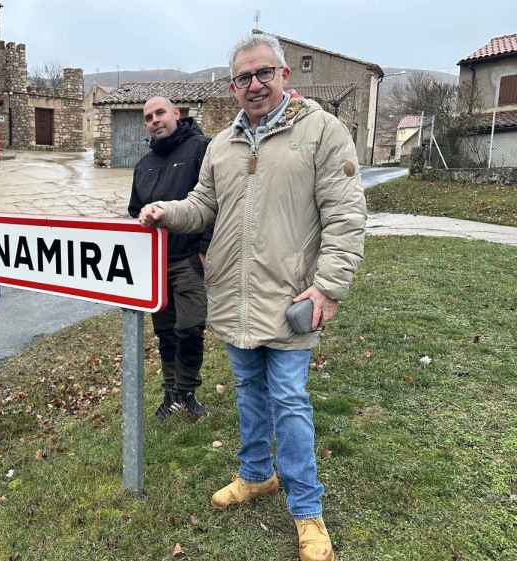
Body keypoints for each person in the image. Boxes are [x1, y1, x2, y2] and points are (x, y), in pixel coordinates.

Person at [139, 33, 366, 561]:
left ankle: (308, 511)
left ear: (285, 75)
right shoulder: (222, 145)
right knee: (247, 391)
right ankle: (257, 475)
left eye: (264, 73)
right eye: (243, 77)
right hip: (235, 299)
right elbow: (202, 205)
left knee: (289, 400)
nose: (254, 84)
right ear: (233, 86)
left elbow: (346, 216)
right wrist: (167, 212)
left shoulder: (322, 132)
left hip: (291, 298)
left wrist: (328, 285)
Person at [128, 96, 211, 421]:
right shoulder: (143, 165)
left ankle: (188, 392)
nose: (154, 121)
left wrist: (204, 248)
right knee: (165, 332)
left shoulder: (200, 150)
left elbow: (213, 200)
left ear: (177, 114)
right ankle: (170, 393)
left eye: (160, 113)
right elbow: (134, 210)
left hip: (188, 259)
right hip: (155, 265)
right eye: (148, 117)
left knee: (190, 328)